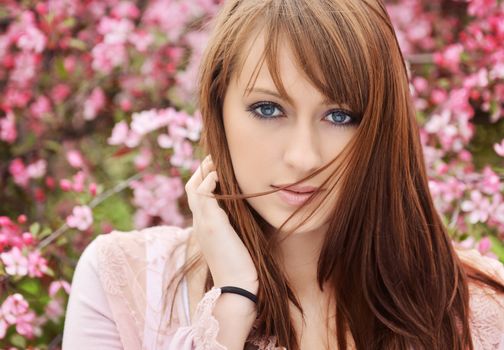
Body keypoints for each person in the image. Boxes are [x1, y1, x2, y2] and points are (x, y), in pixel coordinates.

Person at [62, 0, 504, 349]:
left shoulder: (476, 309)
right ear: (217, 110)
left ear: (380, 127)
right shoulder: (125, 282)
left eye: (340, 115)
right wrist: (231, 306)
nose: (302, 156)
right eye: (268, 109)